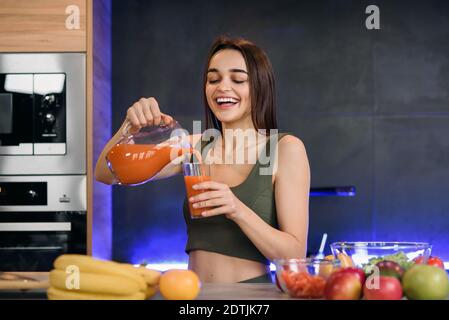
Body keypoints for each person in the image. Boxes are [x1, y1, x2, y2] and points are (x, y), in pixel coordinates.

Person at [95, 35, 310, 283]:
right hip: (193, 294)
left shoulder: (285, 149)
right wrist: (128, 128)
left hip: (251, 296)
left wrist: (236, 209)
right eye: (213, 79)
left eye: (238, 79)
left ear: (260, 86)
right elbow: (106, 173)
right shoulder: (195, 146)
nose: (222, 87)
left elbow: (295, 256)